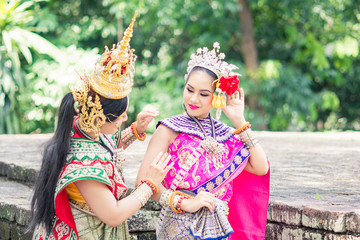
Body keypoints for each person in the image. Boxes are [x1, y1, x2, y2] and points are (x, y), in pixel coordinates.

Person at [28, 12, 173, 239]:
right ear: (99, 119)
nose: (124, 119)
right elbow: (114, 215)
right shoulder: (84, 169)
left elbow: (109, 144)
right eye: (121, 117)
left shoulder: (81, 127)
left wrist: (136, 130)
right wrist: (150, 184)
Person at [136, 42, 270, 240]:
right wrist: (185, 203)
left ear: (217, 96)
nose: (194, 99)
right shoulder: (169, 130)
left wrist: (239, 121)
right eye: (189, 90)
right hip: (177, 223)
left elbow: (260, 168)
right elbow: (142, 182)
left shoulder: (227, 135)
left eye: (204, 94)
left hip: (217, 226)